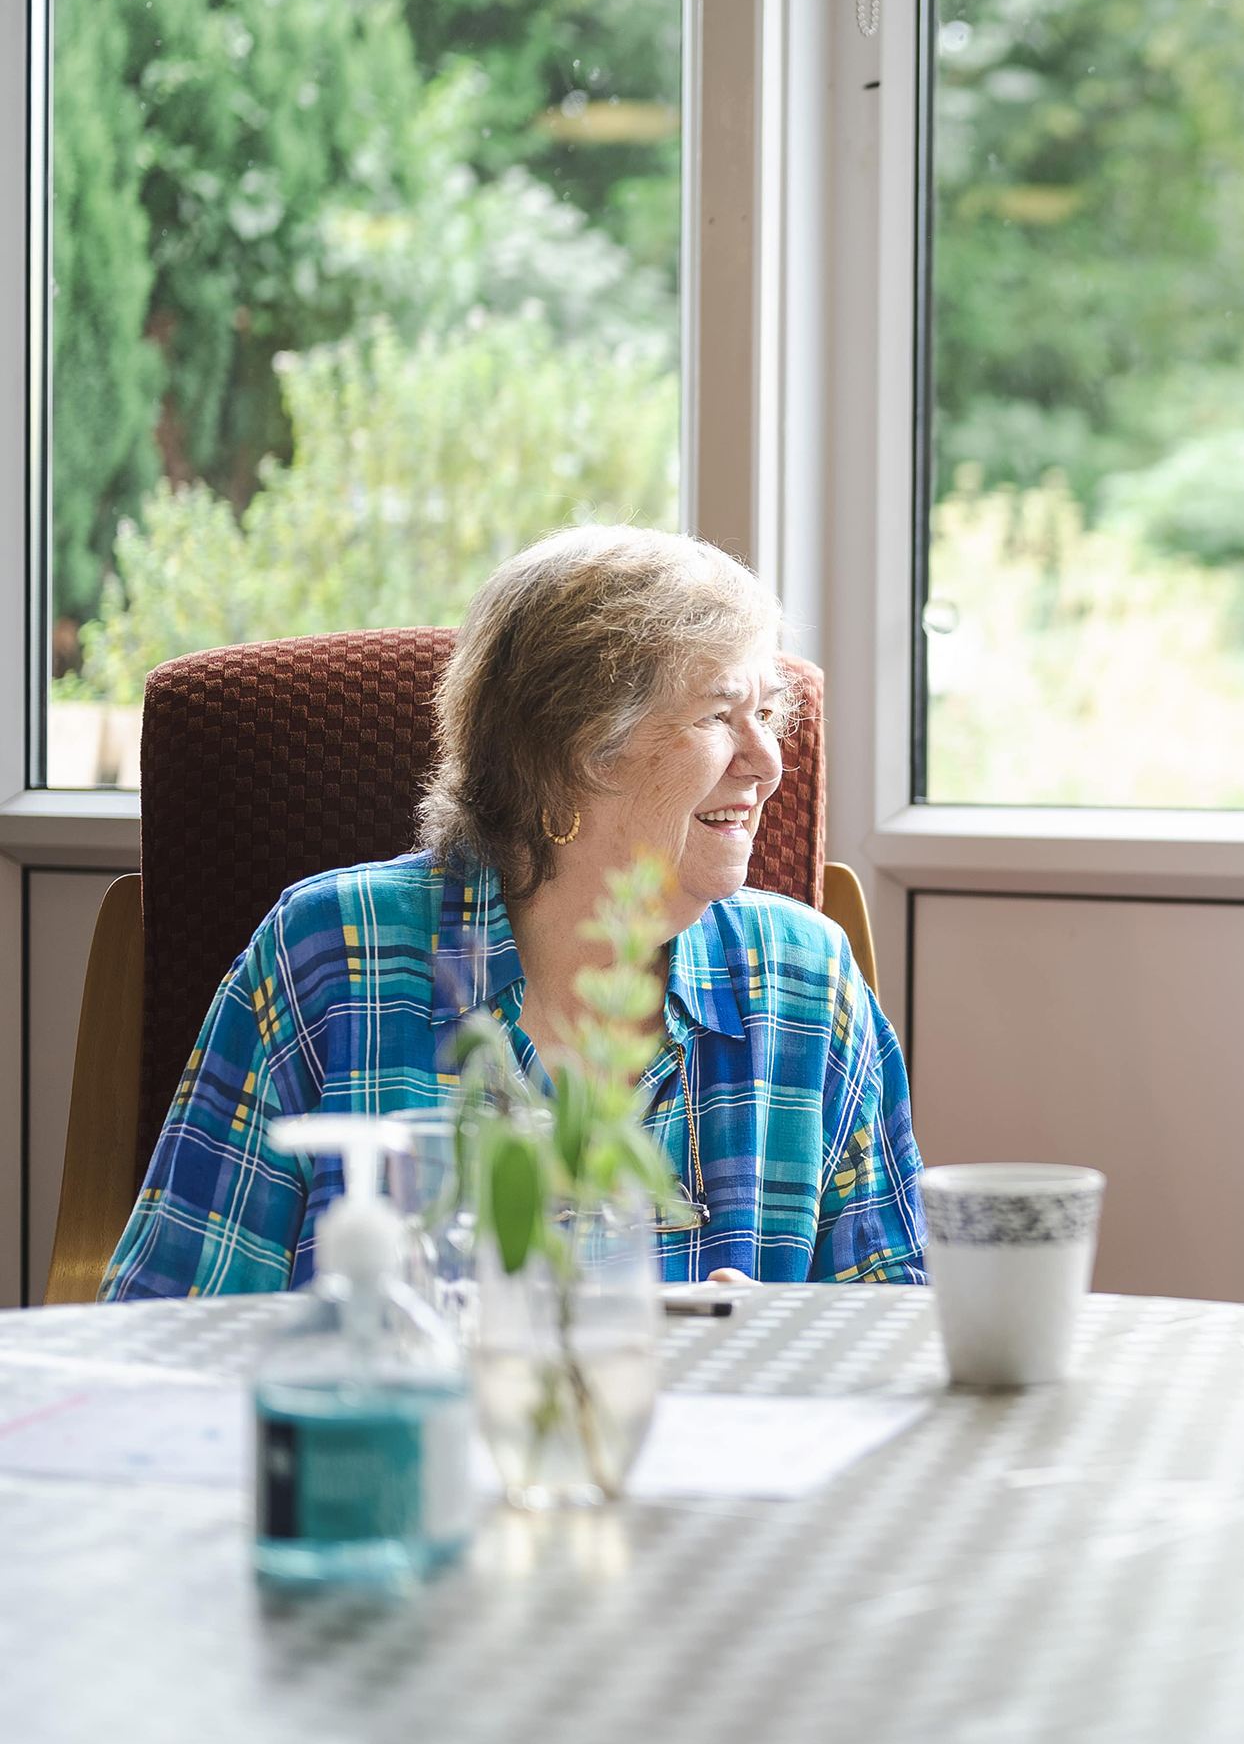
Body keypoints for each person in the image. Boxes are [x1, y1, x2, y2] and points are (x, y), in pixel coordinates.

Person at [103, 527, 926, 1298]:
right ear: (573, 750)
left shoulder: (806, 983)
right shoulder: (332, 957)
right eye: (718, 715)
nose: (770, 763)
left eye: (768, 714)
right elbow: (166, 1326)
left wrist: (782, 1347)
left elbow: (899, 1342)